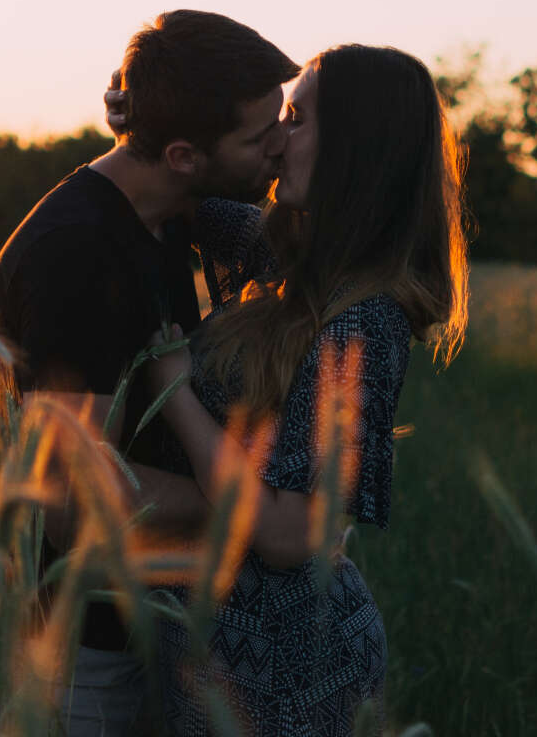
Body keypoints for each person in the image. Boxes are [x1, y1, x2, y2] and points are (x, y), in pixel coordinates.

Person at [0, 9, 300, 736]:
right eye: (260, 135)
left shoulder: (170, 209)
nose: (280, 145)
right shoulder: (79, 257)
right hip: (77, 650)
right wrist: (256, 515)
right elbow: (70, 495)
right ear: (185, 154)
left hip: (153, 622)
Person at [133, 44, 469, 736]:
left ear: (353, 149)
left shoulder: (365, 319)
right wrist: (141, 117)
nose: (276, 140)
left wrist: (177, 394)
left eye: (295, 119)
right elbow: (192, 186)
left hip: (288, 668)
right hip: (218, 647)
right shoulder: (294, 268)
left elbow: (290, 533)